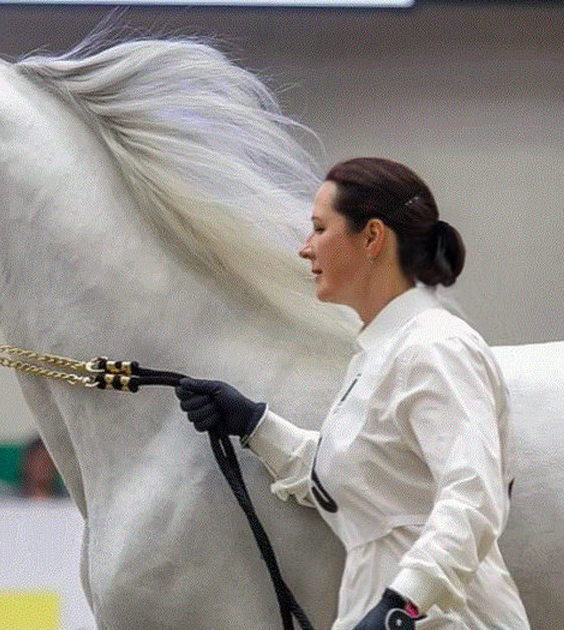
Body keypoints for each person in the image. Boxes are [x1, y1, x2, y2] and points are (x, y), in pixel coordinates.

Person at [175, 158, 529, 630]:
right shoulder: (379, 354)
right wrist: (254, 424)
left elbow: (473, 497)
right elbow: (350, 481)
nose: (305, 248)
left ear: (372, 238)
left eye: (320, 228)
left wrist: (401, 604)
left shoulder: (435, 348)